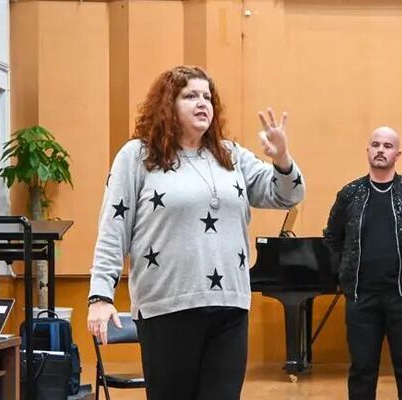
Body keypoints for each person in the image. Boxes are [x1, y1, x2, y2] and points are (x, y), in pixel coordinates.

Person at [87, 65, 305, 399]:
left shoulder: (231, 155)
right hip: (167, 307)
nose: (202, 103)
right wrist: (101, 296)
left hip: (230, 304)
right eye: (190, 96)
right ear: (167, 105)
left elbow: (288, 195)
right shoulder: (138, 156)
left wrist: (282, 159)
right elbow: (113, 228)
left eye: (207, 97)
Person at [323, 126, 402, 400]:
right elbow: (332, 237)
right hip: (361, 298)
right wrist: (350, 266)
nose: (381, 150)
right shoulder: (349, 194)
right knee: (361, 371)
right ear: (367, 150)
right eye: (376, 144)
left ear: (397, 154)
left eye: (388, 146)